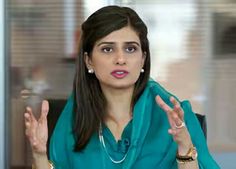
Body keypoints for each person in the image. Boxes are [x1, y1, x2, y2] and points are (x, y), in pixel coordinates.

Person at [24, 5, 220, 169]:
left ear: (143, 58)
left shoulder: (177, 118)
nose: (120, 59)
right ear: (88, 61)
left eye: (130, 49)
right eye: (107, 49)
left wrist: (185, 147)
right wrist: (40, 154)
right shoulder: (74, 120)